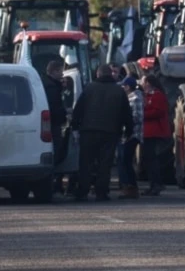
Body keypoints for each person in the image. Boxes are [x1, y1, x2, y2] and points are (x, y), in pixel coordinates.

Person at [70, 64, 133, 201]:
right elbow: (126, 113)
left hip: (88, 132)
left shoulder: (89, 88)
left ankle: (83, 191)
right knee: (105, 164)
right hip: (110, 132)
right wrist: (128, 131)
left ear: (97, 74)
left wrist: (75, 127)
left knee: (86, 163)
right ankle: (101, 192)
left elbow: (78, 110)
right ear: (110, 74)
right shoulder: (119, 91)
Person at [140, 74, 170, 196]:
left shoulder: (157, 95)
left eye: (143, 81)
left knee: (151, 159)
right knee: (148, 159)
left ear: (148, 83)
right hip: (148, 131)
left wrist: (142, 112)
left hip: (154, 131)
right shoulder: (148, 96)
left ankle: (156, 183)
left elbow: (158, 112)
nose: (141, 83)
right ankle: (153, 184)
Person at [42, 60, 68, 195]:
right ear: (54, 71)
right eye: (60, 71)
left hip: (51, 124)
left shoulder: (48, 85)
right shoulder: (52, 88)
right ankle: (53, 182)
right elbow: (55, 108)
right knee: (57, 152)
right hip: (54, 125)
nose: (62, 74)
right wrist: (63, 116)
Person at [117, 76, 143, 199]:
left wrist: (125, 121)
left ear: (127, 87)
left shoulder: (135, 99)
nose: (122, 88)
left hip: (132, 135)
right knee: (124, 161)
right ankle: (128, 187)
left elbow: (138, 117)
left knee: (126, 161)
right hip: (126, 135)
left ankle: (131, 187)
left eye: (123, 86)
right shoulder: (128, 98)